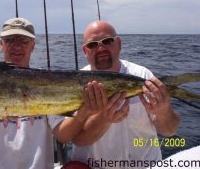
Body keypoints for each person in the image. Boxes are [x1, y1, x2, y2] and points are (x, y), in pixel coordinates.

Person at [0, 17, 104, 169]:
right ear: (1, 44)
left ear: (33, 46)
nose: (17, 46)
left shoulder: (47, 81)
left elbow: (63, 135)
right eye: (10, 40)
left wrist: (83, 113)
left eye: (23, 41)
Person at [71, 20, 180, 168]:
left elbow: (169, 130)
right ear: (85, 51)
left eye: (107, 41)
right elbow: (78, 139)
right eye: (92, 44)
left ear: (119, 44)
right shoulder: (74, 84)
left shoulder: (143, 75)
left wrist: (163, 111)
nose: (101, 48)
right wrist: (104, 118)